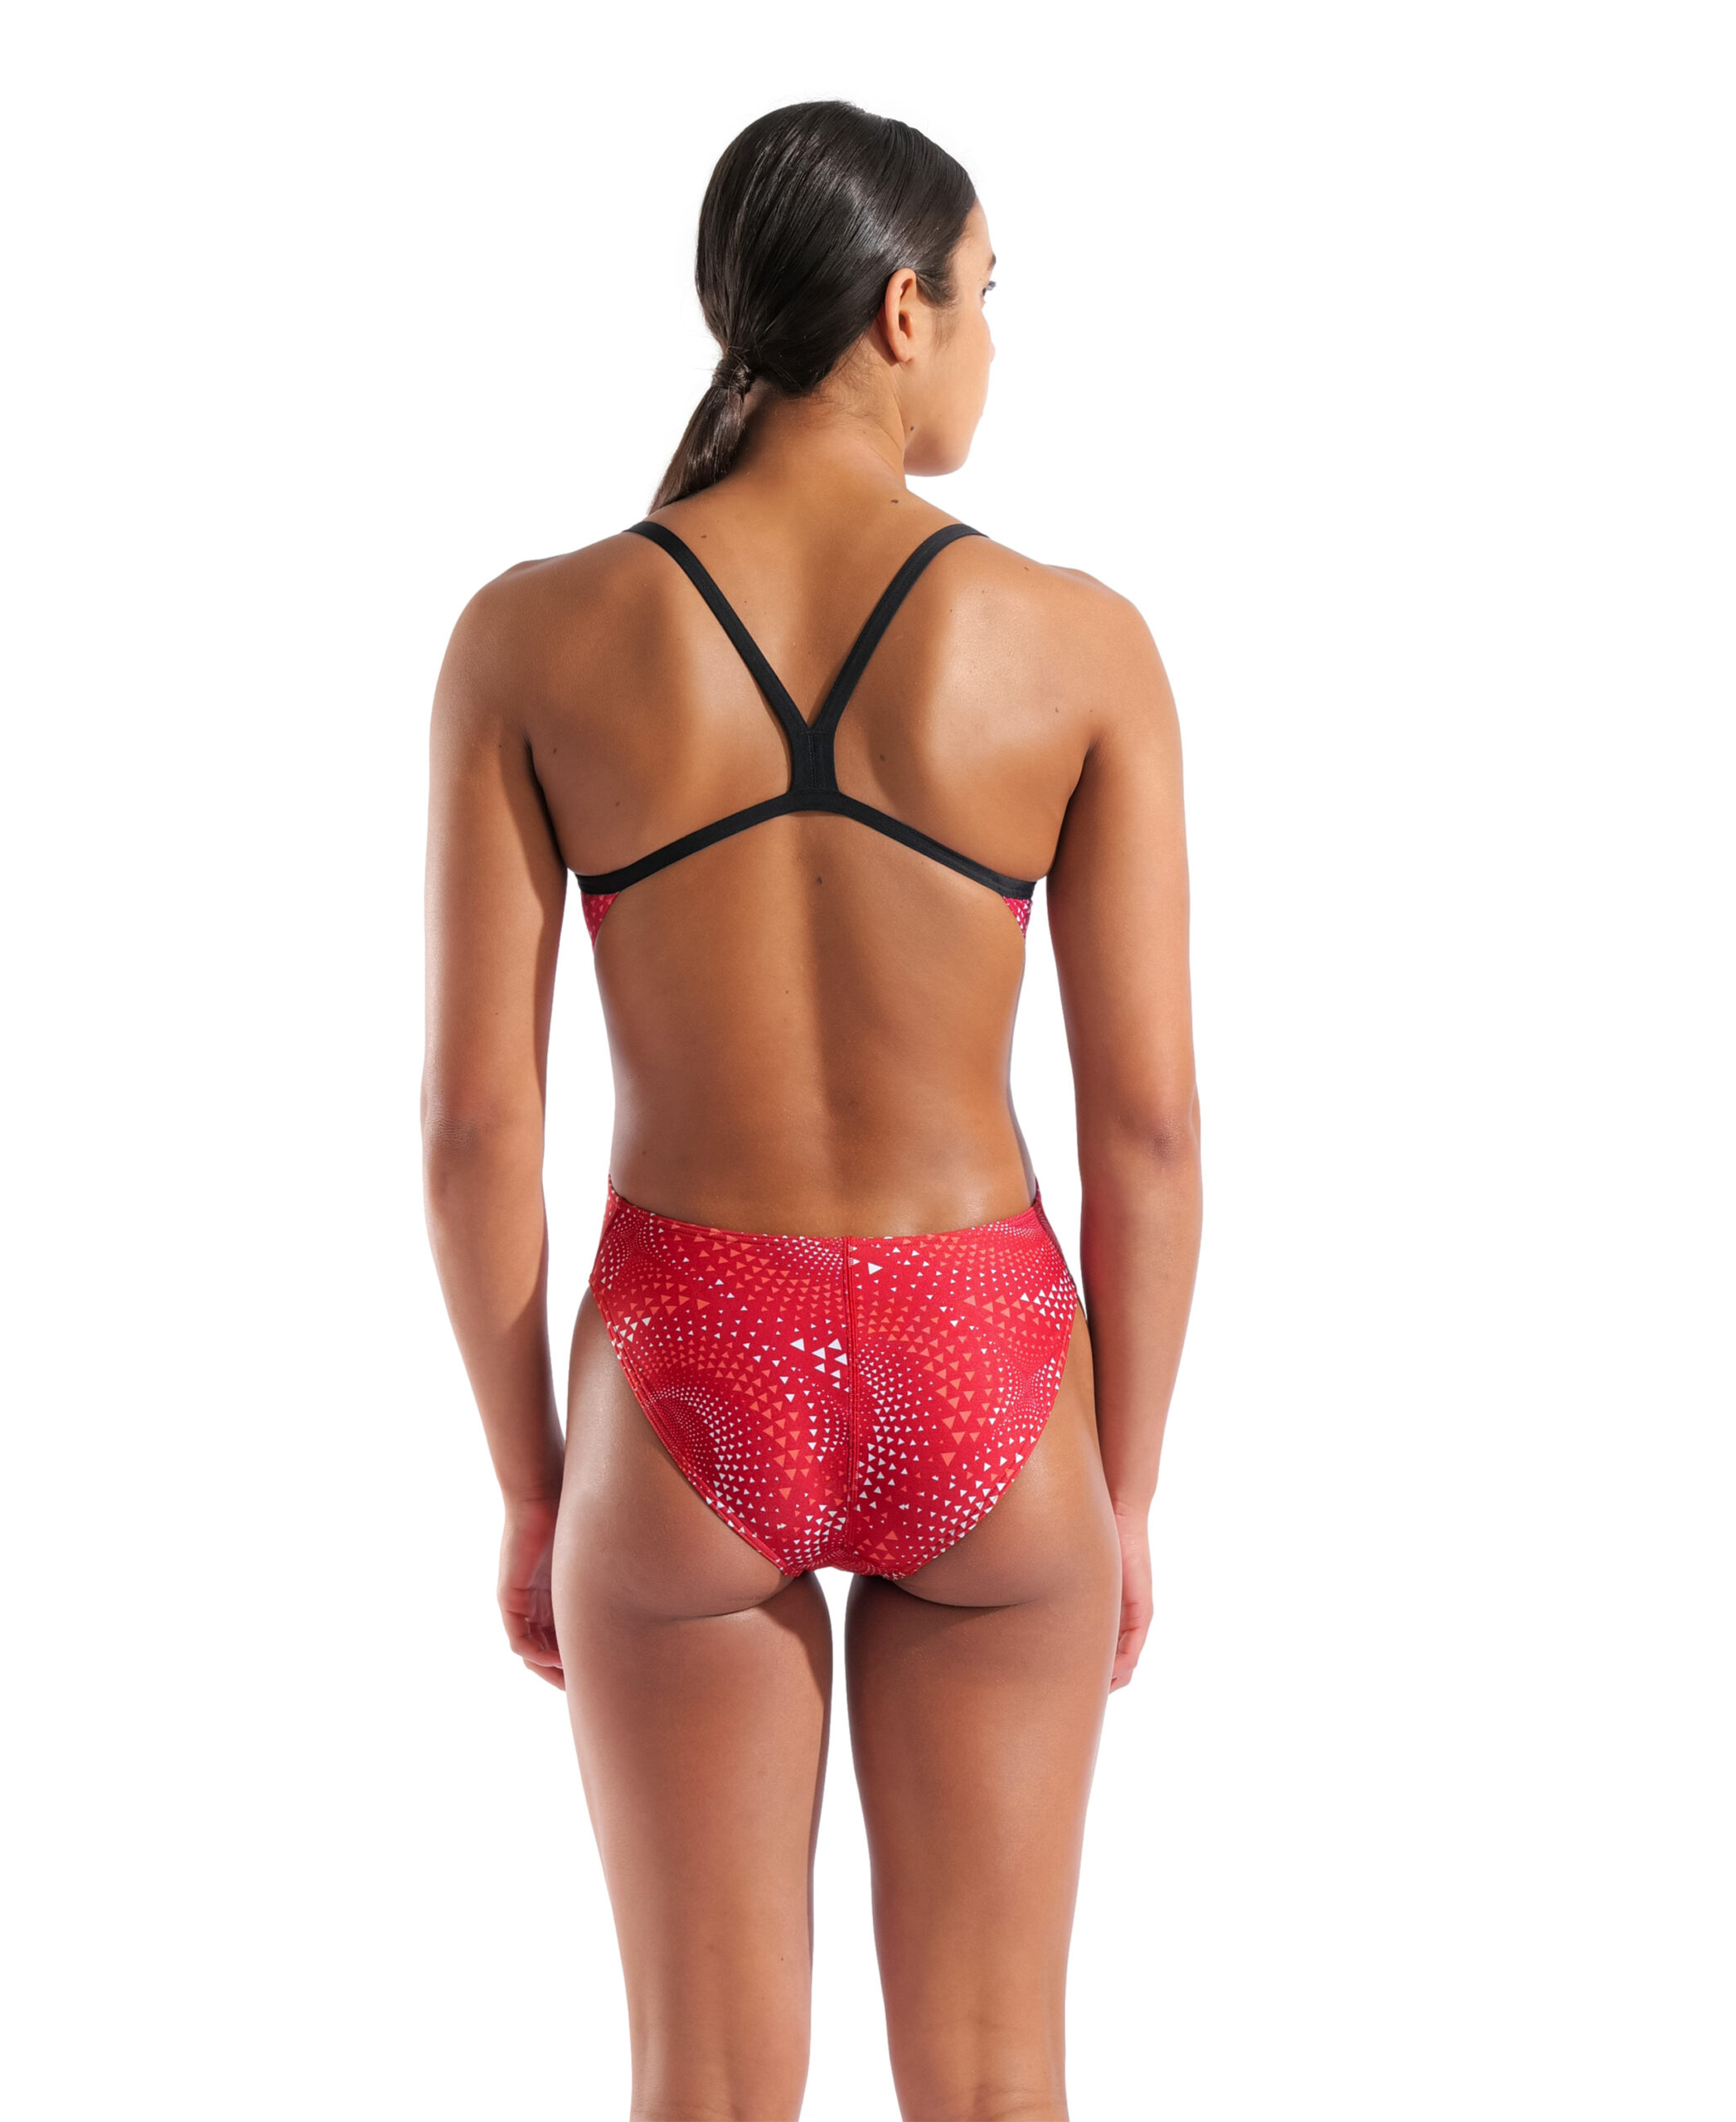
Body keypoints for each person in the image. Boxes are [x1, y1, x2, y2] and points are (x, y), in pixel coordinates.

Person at [423, 99, 1200, 2122]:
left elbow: (475, 1126)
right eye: (989, 294)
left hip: (684, 1359)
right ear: (900, 309)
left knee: (701, 2086)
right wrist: (1123, 1483)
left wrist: (535, 1482)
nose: (994, 343)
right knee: (996, 2081)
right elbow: (1148, 1133)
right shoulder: (1079, 643)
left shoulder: (531, 636)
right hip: (987, 1358)